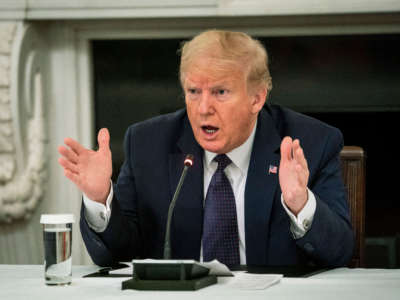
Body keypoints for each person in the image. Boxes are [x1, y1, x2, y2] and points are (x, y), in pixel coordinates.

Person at [58, 30, 354, 267]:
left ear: (256, 98)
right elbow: (115, 257)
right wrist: (99, 199)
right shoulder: (148, 144)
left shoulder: (311, 143)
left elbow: (340, 252)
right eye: (193, 92)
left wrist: (299, 202)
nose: (203, 109)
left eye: (220, 92)